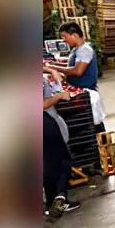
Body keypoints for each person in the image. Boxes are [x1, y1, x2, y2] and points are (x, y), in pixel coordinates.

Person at [42, 69, 80, 217]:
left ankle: (52, 201)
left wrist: (50, 69)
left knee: (48, 163)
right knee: (63, 160)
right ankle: (60, 197)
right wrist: (58, 96)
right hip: (44, 122)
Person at [44, 22, 99, 91]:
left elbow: (77, 71)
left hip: (86, 91)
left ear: (74, 35)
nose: (63, 40)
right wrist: (55, 63)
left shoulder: (84, 50)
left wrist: (53, 68)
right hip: (78, 88)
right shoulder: (77, 48)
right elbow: (73, 65)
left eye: (65, 36)